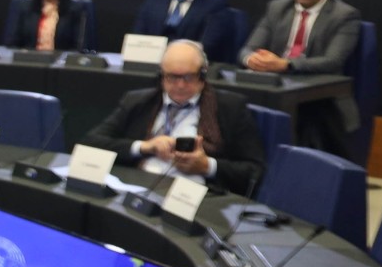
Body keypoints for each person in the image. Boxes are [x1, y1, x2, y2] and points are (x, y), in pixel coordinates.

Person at [80, 40, 265, 196]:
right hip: (138, 185)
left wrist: (207, 165)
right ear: (161, 76)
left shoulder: (231, 108)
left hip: (192, 196)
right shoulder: (138, 101)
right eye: (172, 77)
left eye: (188, 77)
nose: (180, 85)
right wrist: (144, 147)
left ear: (203, 74)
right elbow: (91, 142)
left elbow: (255, 171)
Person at [242, 0, 363, 151]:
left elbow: (333, 61)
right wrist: (252, 60)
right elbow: (247, 49)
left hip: (317, 93)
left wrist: (285, 64)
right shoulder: (277, 8)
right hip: (274, 82)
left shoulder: (344, 15)